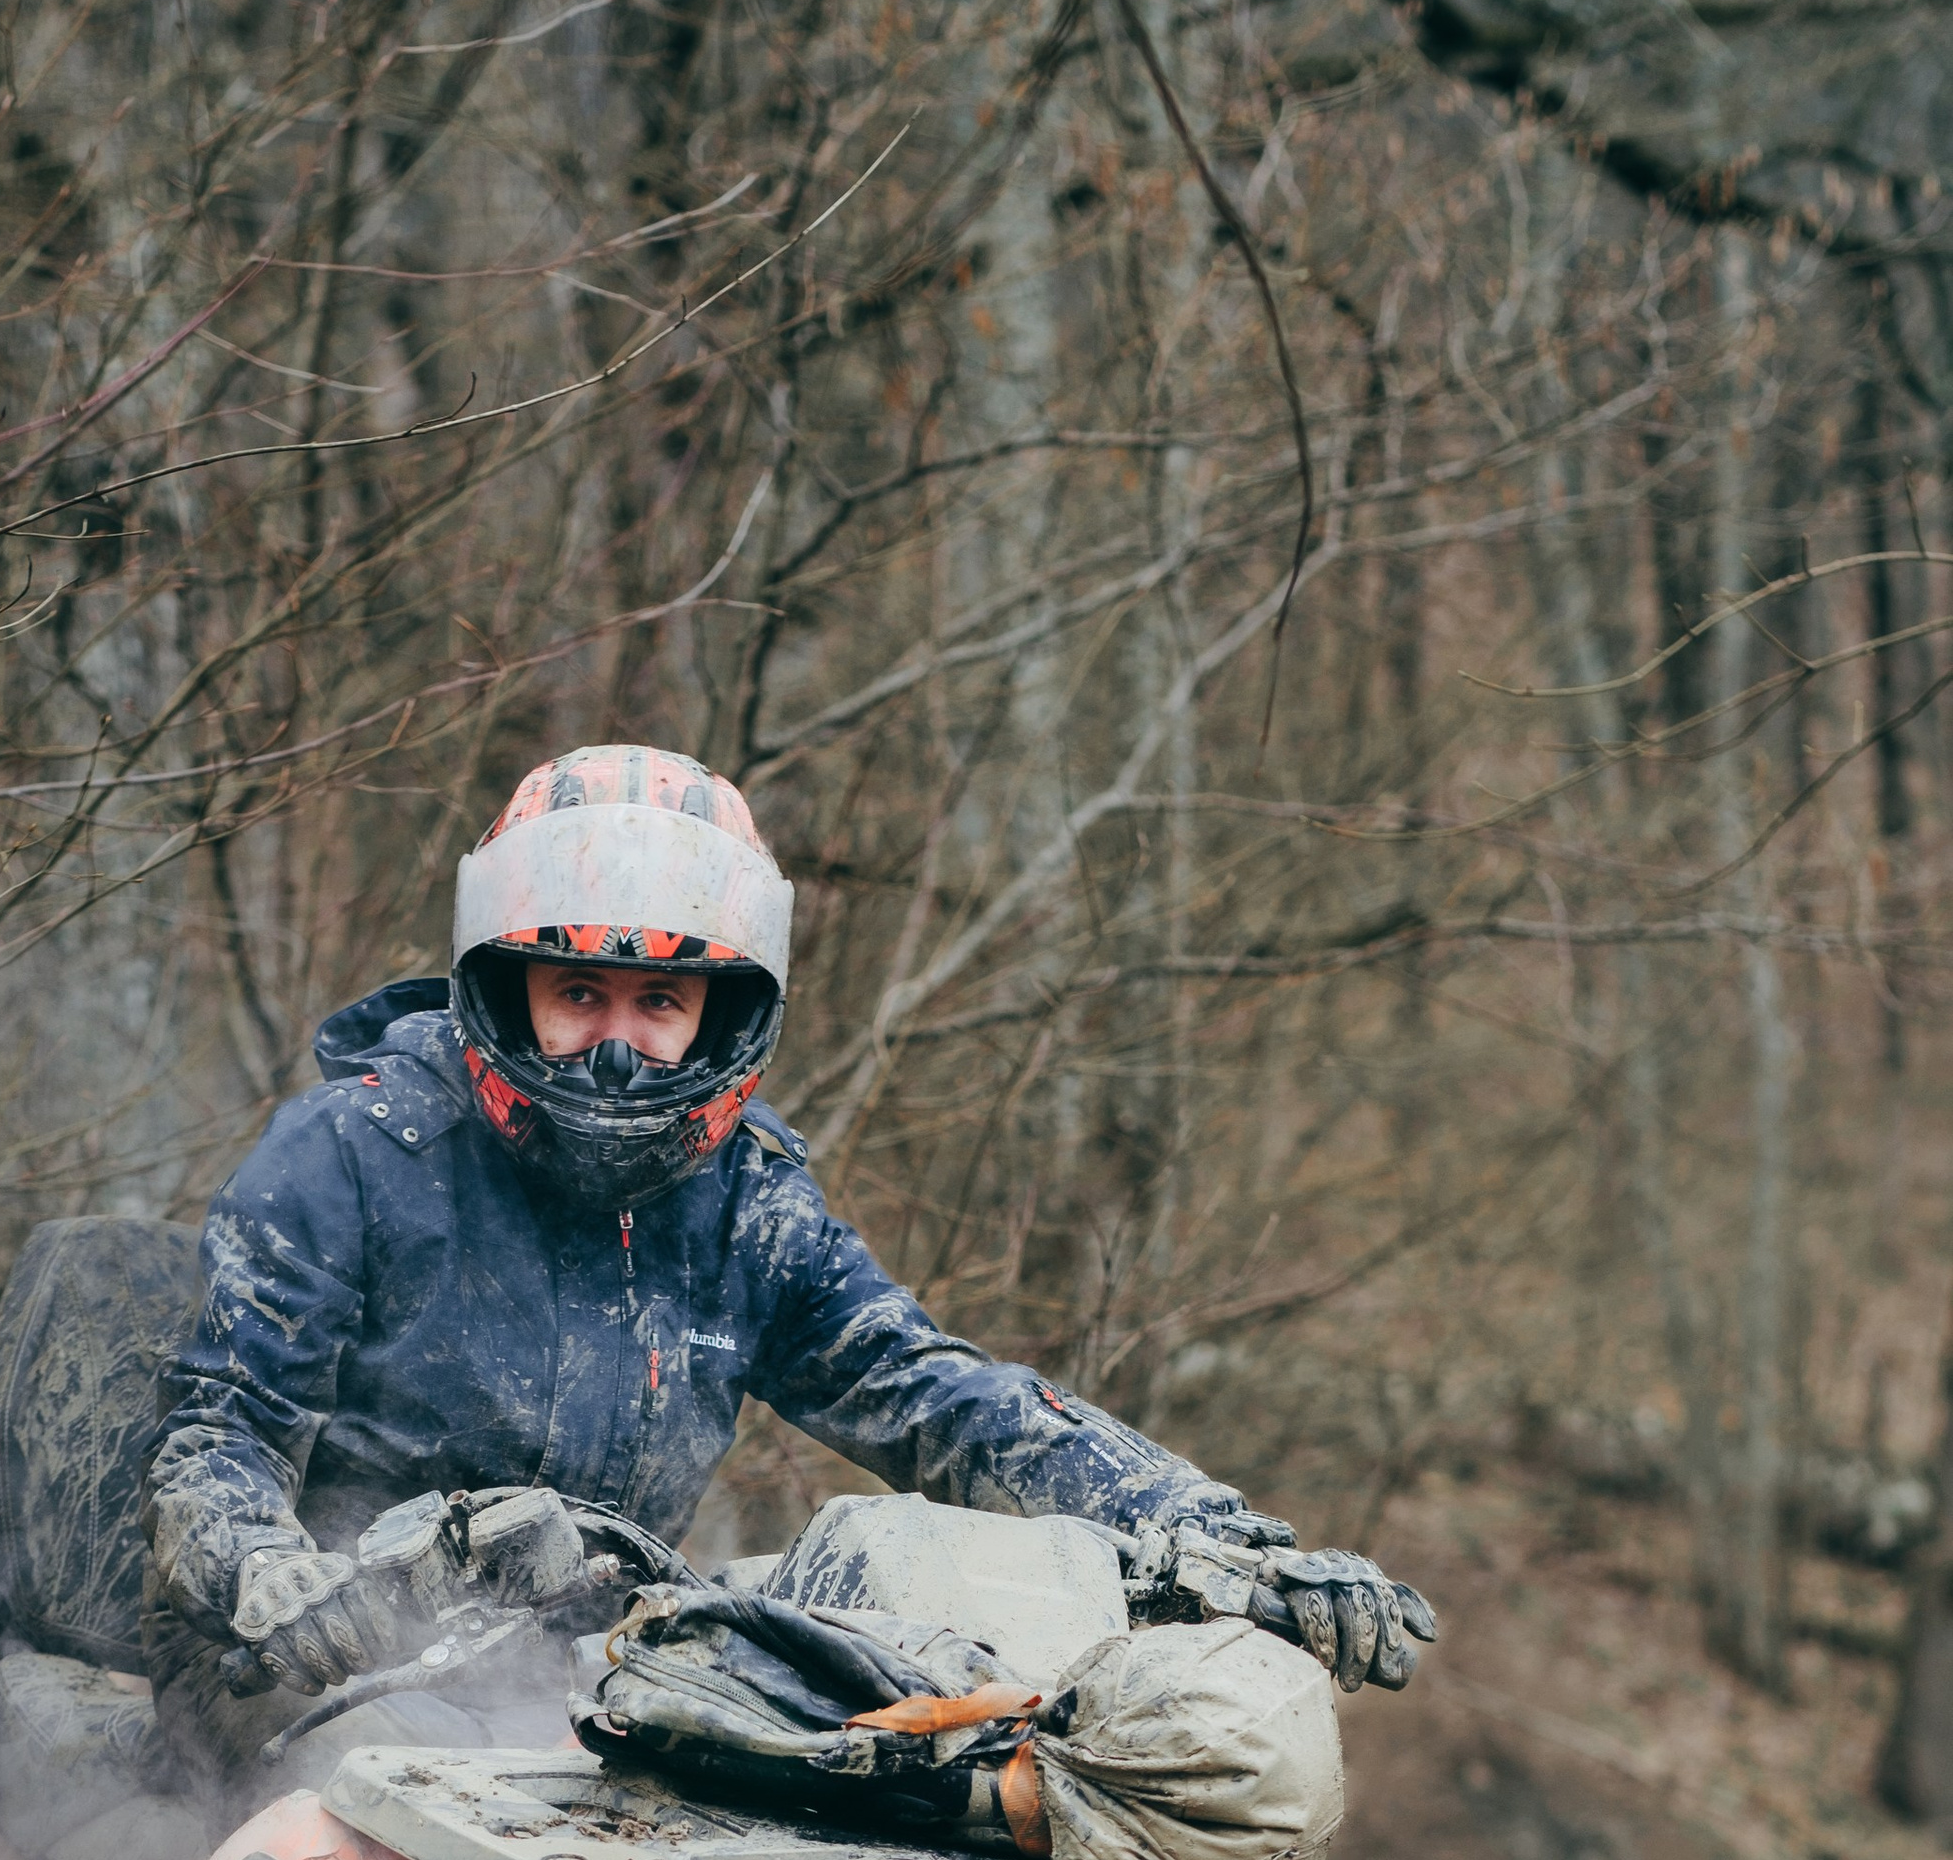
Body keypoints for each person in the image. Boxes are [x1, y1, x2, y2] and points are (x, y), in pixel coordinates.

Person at [142, 744, 1429, 1787]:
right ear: (508, 980)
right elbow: (218, 1432)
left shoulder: (743, 1204)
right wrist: (270, 1575)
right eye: (577, 993)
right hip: (300, 1674)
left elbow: (938, 1399)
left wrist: (1210, 1539)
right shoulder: (356, 1150)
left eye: (659, 1006)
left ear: (721, 1017)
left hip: (591, 1688)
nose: (614, 1048)